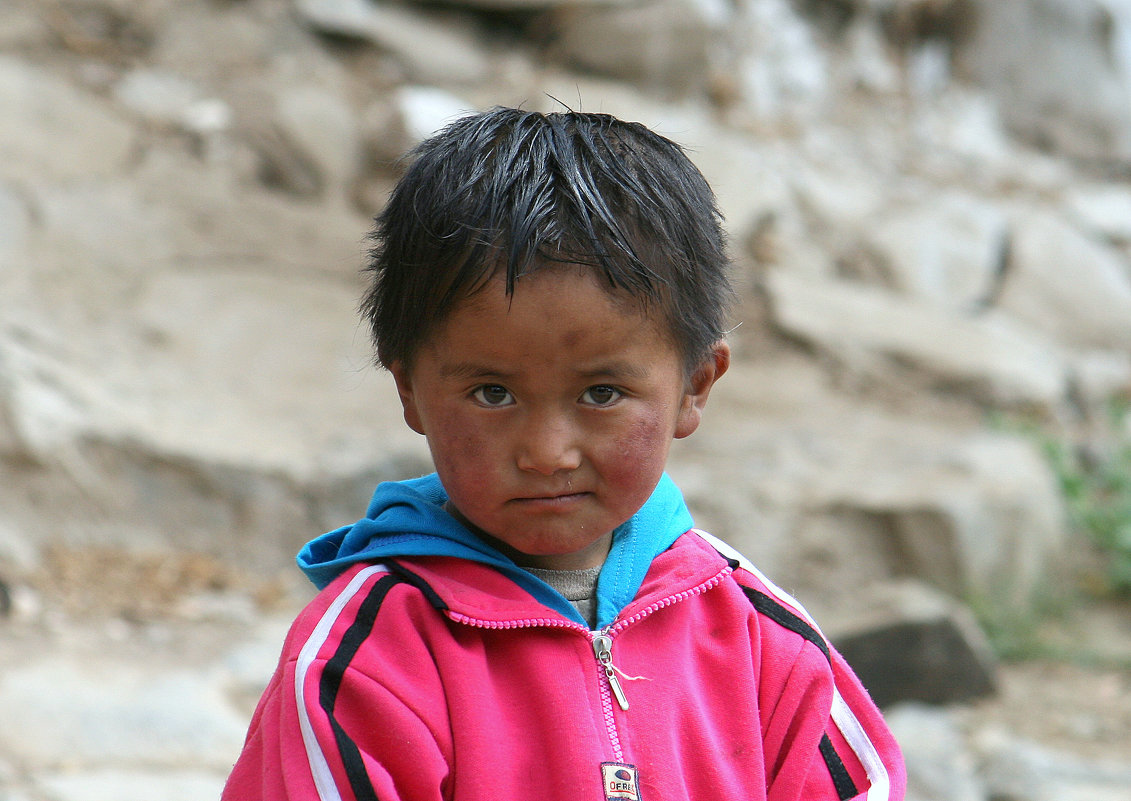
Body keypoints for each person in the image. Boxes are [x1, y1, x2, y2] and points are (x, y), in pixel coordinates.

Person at [222, 107, 906, 801]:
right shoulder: (368, 656)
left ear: (694, 387)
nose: (546, 453)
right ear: (409, 389)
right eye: (492, 393)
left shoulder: (758, 636)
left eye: (601, 393)